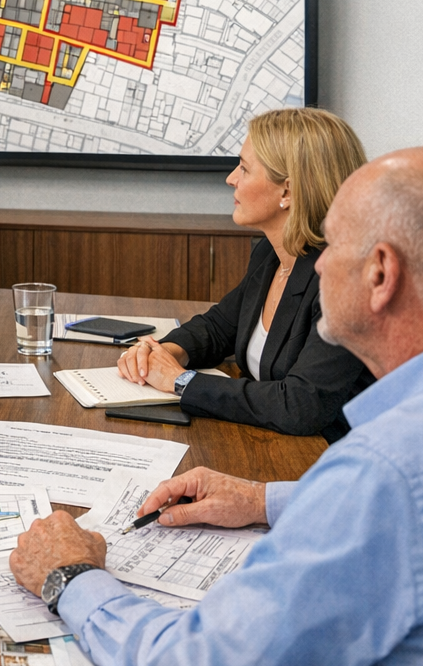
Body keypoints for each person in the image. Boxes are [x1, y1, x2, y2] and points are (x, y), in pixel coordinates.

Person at [9, 147, 423, 666]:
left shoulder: (381, 478)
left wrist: (71, 577)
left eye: (330, 245)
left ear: (380, 274)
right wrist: (263, 498)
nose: (318, 264)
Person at [117, 107, 373, 440]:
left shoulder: (344, 279)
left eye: (244, 168)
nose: (231, 179)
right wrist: (163, 351)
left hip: (326, 466)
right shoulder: (270, 253)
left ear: (288, 192)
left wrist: (182, 381)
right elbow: (219, 326)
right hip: (273, 445)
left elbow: (301, 405)